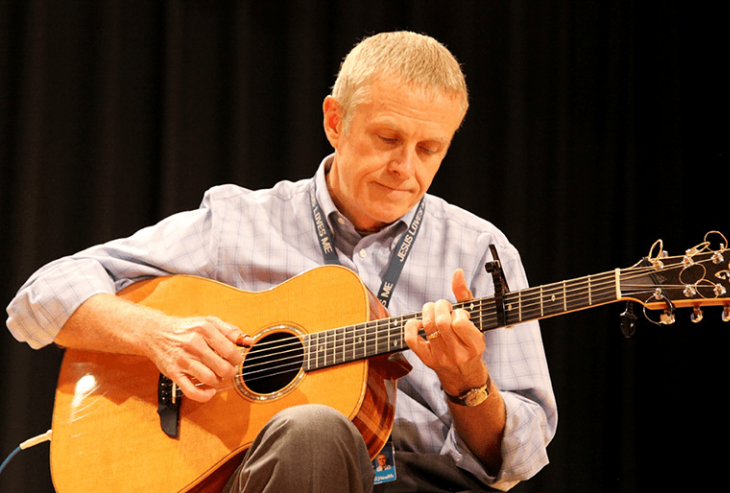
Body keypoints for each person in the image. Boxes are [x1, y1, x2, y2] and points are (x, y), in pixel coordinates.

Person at [6, 31, 557, 492]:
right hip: (257, 477)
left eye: (429, 149)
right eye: (387, 138)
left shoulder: (480, 251)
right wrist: (158, 334)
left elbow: (514, 460)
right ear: (335, 122)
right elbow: (39, 296)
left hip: (422, 481)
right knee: (313, 431)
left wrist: (468, 384)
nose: (404, 168)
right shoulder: (237, 222)